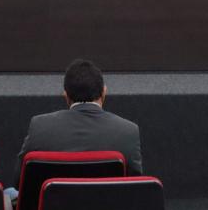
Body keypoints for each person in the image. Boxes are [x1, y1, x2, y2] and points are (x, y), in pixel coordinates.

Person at [12, 59, 143, 190]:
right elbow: (135, 190)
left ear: (66, 95)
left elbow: (19, 183)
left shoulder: (39, 127)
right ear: (104, 93)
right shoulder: (128, 132)